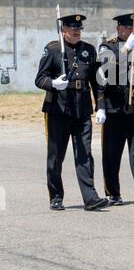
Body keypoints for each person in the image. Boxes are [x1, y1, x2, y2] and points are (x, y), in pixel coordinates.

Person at [35, 14, 108, 211]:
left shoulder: (89, 50)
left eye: (79, 28)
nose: (76, 31)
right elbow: (40, 78)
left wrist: (101, 105)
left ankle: (90, 197)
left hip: (82, 110)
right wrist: (53, 83)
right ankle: (56, 196)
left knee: (84, 154)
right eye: (72, 28)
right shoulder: (52, 49)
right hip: (58, 109)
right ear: (63, 30)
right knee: (56, 155)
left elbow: (97, 82)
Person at [97, 13, 134, 207]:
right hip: (115, 108)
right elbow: (105, 72)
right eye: (127, 28)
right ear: (118, 28)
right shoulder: (108, 47)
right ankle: (113, 193)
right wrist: (124, 50)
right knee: (112, 153)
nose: (131, 31)